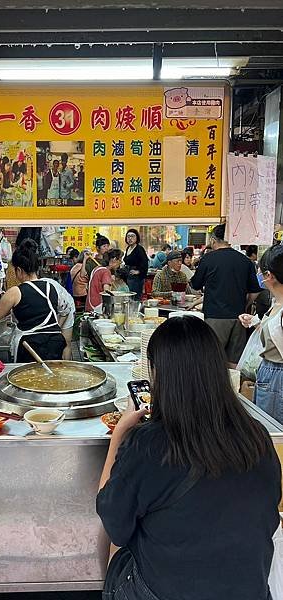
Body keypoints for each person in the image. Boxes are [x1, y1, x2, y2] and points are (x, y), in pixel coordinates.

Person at [97, 316, 281, 600]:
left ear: (159, 374)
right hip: (250, 591)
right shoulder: (256, 436)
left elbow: (115, 525)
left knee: (116, 544)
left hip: (166, 592)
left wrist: (120, 435)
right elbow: (268, 521)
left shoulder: (149, 443)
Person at [0, 239, 71, 362]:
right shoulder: (50, 286)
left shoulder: (15, 292)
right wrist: (53, 326)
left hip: (31, 347)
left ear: (19, 270)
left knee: (28, 380)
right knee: (50, 379)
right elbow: (66, 310)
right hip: (55, 343)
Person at [191, 223, 262, 365]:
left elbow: (195, 285)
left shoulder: (208, 259)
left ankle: (212, 387)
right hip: (239, 319)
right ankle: (233, 386)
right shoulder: (245, 261)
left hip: (215, 317)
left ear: (213, 240)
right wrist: (245, 304)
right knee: (233, 362)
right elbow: (255, 290)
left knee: (210, 360)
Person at [239, 245, 283, 423]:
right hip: (269, 374)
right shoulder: (277, 302)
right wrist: (257, 322)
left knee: (272, 429)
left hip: (276, 377)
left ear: (269, 275)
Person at [86, 249, 123, 313]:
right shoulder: (106, 271)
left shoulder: (97, 268)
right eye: (120, 260)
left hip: (90, 304)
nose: (121, 262)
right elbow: (106, 292)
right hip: (97, 306)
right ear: (114, 259)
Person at [123, 229, 149, 297]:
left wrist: (138, 271)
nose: (130, 238)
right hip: (128, 276)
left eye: (132, 236)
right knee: (128, 296)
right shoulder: (128, 248)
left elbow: (145, 262)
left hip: (136, 278)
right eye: (128, 236)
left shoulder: (139, 249)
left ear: (137, 238)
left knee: (135, 297)